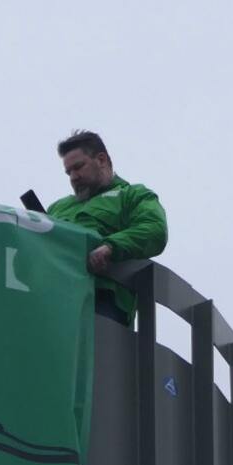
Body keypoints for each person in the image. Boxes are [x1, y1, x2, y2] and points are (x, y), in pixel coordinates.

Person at [45, 130, 167, 325]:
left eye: (78, 167)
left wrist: (110, 247)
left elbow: (154, 229)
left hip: (102, 298)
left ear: (101, 160)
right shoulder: (57, 207)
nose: (73, 177)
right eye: (69, 172)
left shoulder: (132, 195)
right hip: (55, 298)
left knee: (98, 353)